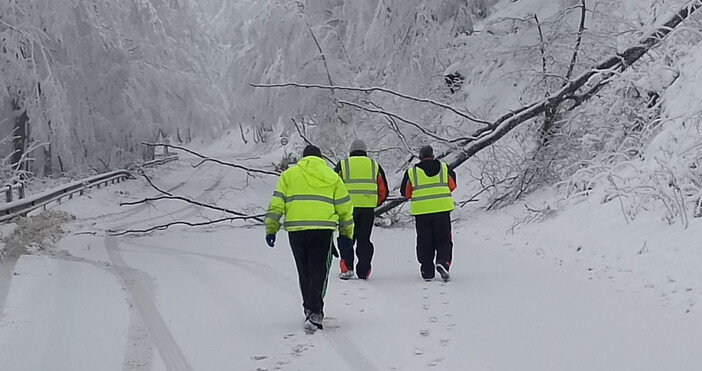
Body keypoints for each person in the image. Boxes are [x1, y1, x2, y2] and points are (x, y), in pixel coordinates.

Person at [264, 145, 355, 333]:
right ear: (320, 158)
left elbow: (276, 204)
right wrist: (346, 234)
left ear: (303, 158)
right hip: (322, 230)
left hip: (296, 231)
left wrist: (271, 229)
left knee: (303, 270)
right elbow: (345, 209)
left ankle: (309, 307)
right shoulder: (332, 177)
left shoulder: (289, 176)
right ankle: (315, 310)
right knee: (319, 270)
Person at [334, 139, 389, 280]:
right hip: (367, 210)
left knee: (346, 238)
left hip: (347, 209)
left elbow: (333, 186)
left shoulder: (343, 165)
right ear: (365, 152)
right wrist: (374, 202)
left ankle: (347, 268)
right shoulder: (374, 166)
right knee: (364, 240)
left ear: (351, 152)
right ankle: (364, 270)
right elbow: (383, 190)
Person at [400, 145, 456, 282]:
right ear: (433, 155)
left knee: (425, 241)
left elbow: (405, 192)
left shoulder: (412, 172)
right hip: (442, 210)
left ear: (420, 157)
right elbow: (452, 185)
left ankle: (427, 270)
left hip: (422, 212)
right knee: (444, 240)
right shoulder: (445, 168)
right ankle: (443, 263)